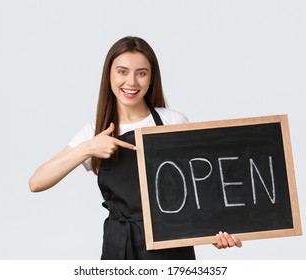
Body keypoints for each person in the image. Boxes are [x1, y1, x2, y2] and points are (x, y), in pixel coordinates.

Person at [29, 36, 242, 260]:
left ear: (151, 78)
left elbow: (199, 193)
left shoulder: (173, 121)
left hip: (170, 249)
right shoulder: (95, 132)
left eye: (141, 73)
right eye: (122, 71)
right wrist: (88, 148)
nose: (131, 82)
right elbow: (36, 182)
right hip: (119, 249)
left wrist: (214, 233)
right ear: (109, 75)